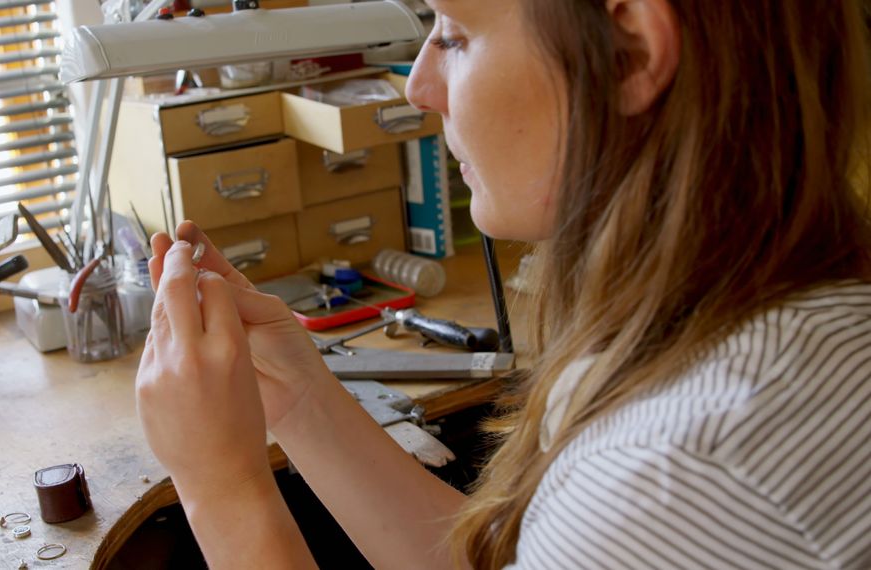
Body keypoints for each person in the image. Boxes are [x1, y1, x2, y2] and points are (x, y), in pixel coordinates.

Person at [135, 0, 871, 567]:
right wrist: (297, 398)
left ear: (630, 53)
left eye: (453, 33)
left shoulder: (683, 474)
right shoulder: (775, 315)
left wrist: (222, 490)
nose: (420, 87)